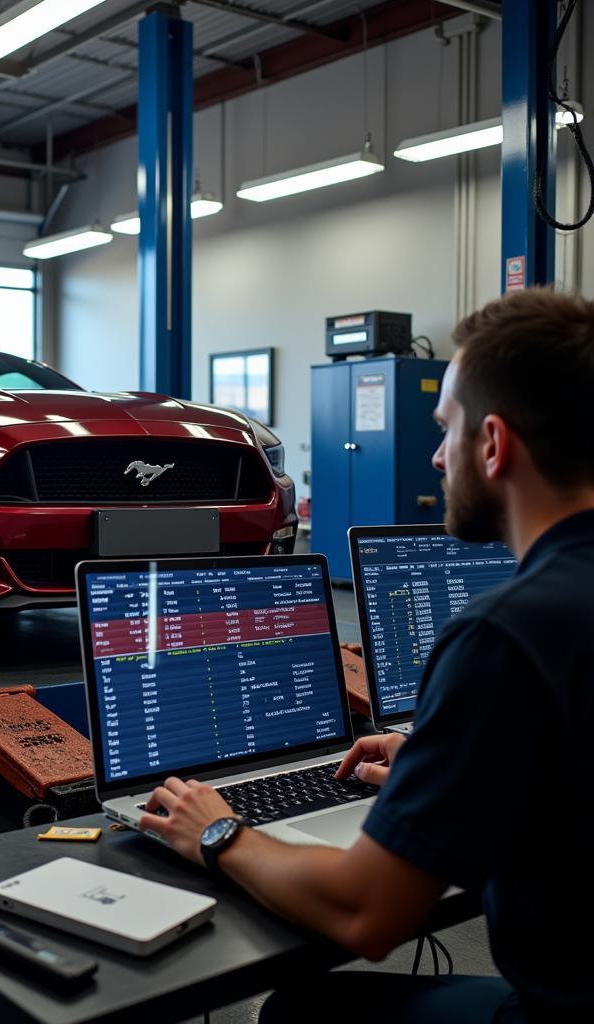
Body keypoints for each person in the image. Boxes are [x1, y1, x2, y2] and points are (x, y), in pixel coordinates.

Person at [140, 288, 594, 1024]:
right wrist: (444, 754)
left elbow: (367, 914)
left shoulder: (506, 635)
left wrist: (219, 832)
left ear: (493, 444)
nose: (437, 456)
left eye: (446, 429)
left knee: (302, 1009)